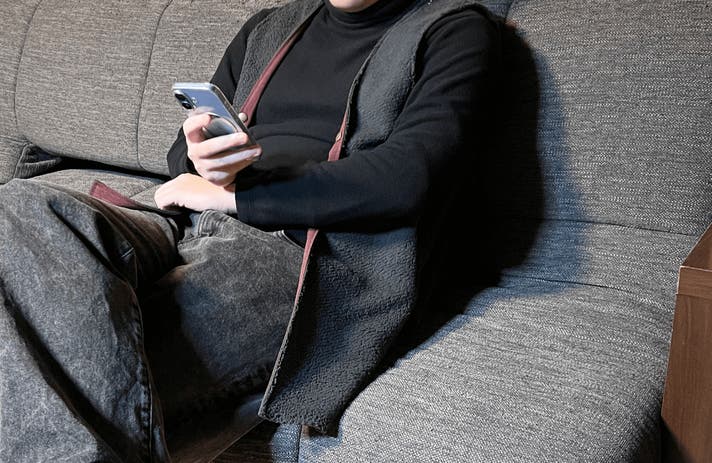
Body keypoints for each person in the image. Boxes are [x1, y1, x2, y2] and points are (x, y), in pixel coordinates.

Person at [0, 0, 499, 461]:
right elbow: (181, 154)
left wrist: (238, 198)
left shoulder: (451, 30)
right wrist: (203, 161)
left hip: (303, 250)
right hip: (186, 214)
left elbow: (408, 177)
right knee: (19, 207)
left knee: (72, 369)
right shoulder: (268, 27)